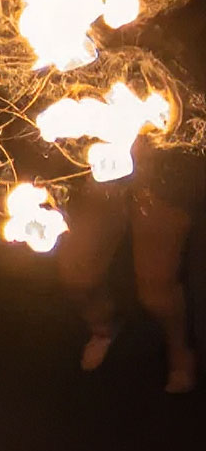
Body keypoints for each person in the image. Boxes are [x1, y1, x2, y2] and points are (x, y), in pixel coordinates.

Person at [57, 166, 198, 394]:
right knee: (76, 272)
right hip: (96, 165)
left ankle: (181, 352)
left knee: (156, 290)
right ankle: (103, 328)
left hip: (164, 167)